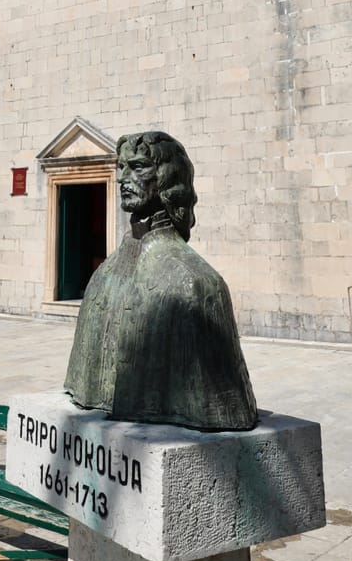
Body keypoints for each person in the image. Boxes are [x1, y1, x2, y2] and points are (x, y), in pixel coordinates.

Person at [64, 131, 258, 432]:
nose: (122, 178)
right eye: (121, 167)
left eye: (138, 167)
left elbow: (227, 405)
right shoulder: (103, 275)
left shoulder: (196, 283)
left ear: (168, 180)